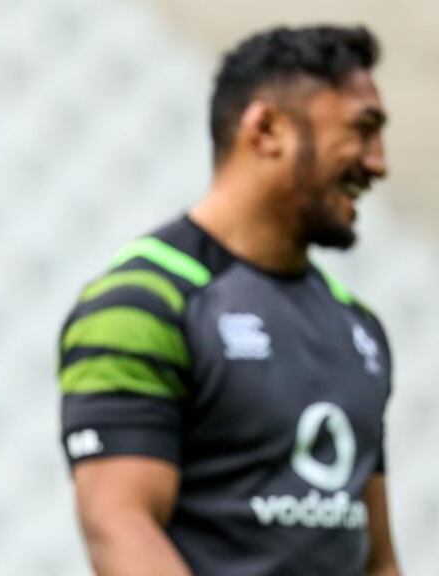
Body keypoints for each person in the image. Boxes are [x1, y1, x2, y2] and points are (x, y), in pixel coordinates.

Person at [58, 26, 399, 575]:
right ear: (266, 129)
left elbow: (376, 558)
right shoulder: (144, 302)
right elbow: (119, 528)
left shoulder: (358, 327)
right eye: (362, 131)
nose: (378, 163)